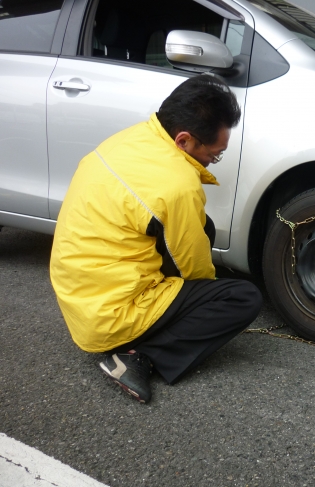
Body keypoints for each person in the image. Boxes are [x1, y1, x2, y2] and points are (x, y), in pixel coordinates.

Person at [50, 75, 262, 404]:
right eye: (215, 154)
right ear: (184, 140)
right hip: (108, 313)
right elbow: (193, 269)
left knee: (199, 226)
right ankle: (138, 356)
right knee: (242, 298)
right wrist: (205, 305)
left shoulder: (130, 139)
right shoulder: (176, 184)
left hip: (78, 290)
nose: (213, 160)